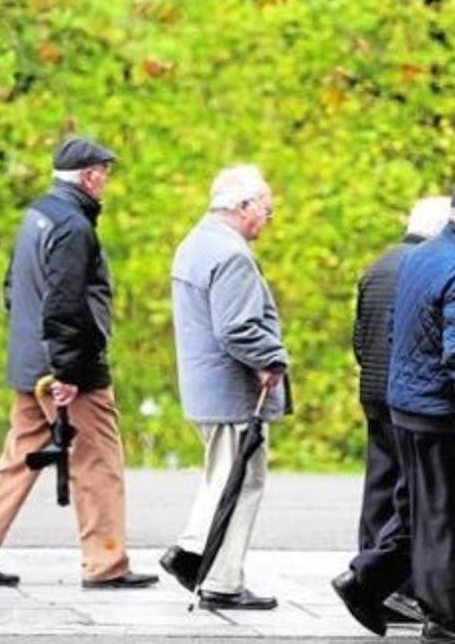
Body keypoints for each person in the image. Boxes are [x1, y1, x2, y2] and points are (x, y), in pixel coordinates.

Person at [0, 137, 158, 589]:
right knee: (98, 460)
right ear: (88, 176)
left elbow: (11, 288)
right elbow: (64, 304)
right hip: (67, 371)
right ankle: (106, 563)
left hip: (30, 362)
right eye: (104, 172)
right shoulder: (74, 228)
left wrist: (36, 354)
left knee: (18, 456)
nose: (107, 182)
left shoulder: (37, 215)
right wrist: (67, 371)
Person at [332, 178, 455, 644]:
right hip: (438, 413)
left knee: (417, 510)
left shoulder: (419, 258)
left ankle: (366, 579)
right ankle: (449, 620)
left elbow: (398, 332)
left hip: (405, 409)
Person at [159, 165, 290, 611]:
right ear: (243, 205)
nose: (268, 221)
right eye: (266, 211)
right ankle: (215, 574)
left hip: (205, 389)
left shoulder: (195, 243)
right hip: (232, 393)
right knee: (241, 481)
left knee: (223, 476)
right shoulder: (231, 254)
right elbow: (237, 328)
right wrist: (272, 358)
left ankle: (198, 556)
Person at [351, 196, 451, 625]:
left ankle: (369, 580)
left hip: (374, 391)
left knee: (380, 489)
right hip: (410, 400)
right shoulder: (428, 269)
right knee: (417, 496)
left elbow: (360, 335)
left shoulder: (378, 265)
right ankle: (399, 589)